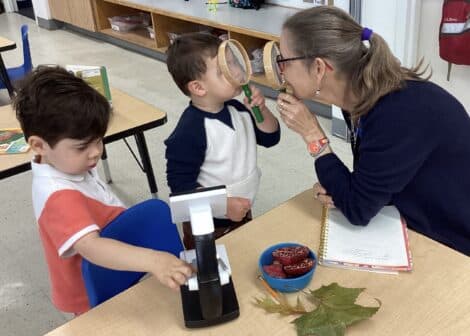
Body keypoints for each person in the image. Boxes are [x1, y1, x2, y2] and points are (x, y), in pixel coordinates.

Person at [276, 6, 470, 255]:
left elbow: (357, 210)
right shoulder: (361, 94)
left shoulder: (398, 113)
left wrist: (314, 136)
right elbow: (369, 180)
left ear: (319, 68)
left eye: (283, 60)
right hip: (413, 212)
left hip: (452, 239)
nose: (280, 71)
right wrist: (347, 190)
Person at [13, 66, 193, 315]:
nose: (97, 151)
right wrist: (153, 260)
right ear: (38, 145)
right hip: (89, 293)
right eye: (83, 146)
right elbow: (92, 248)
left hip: (116, 262)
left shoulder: (66, 163)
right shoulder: (58, 196)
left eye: (98, 139)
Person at [165, 33, 280, 249]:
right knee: (217, 271)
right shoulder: (189, 131)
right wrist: (223, 206)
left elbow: (271, 137)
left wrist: (261, 110)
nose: (236, 71)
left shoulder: (239, 109)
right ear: (198, 88)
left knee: (244, 255)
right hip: (208, 225)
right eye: (223, 71)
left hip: (242, 209)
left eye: (234, 62)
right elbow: (180, 188)